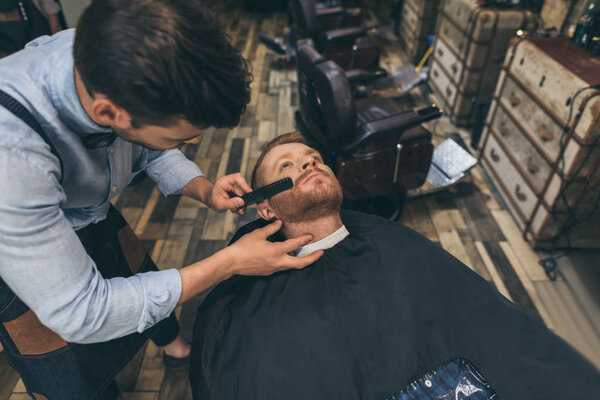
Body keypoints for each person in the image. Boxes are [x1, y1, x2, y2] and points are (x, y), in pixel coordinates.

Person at [0, 1, 322, 399]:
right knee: (66, 373)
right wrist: (229, 262)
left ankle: (170, 340)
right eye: (180, 139)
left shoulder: (107, 59)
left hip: (89, 210)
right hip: (16, 254)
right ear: (108, 112)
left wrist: (202, 188)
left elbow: (148, 142)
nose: (192, 145)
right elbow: (82, 312)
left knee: (133, 268)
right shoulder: (12, 157)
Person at [190, 132, 600, 400]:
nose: (308, 164)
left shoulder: (394, 242)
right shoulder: (245, 293)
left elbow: (491, 328)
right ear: (265, 205)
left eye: (314, 158)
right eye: (287, 166)